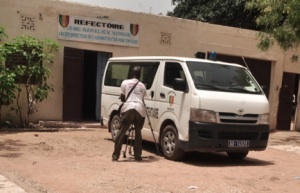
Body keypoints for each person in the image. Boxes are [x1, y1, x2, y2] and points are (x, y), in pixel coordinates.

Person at [112, 66, 147, 161]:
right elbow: (142, 98)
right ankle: (137, 155)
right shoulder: (143, 86)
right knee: (138, 133)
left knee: (122, 132)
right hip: (140, 109)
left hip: (128, 108)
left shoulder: (125, 82)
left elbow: (123, 98)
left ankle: (115, 155)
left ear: (132, 74)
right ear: (140, 75)